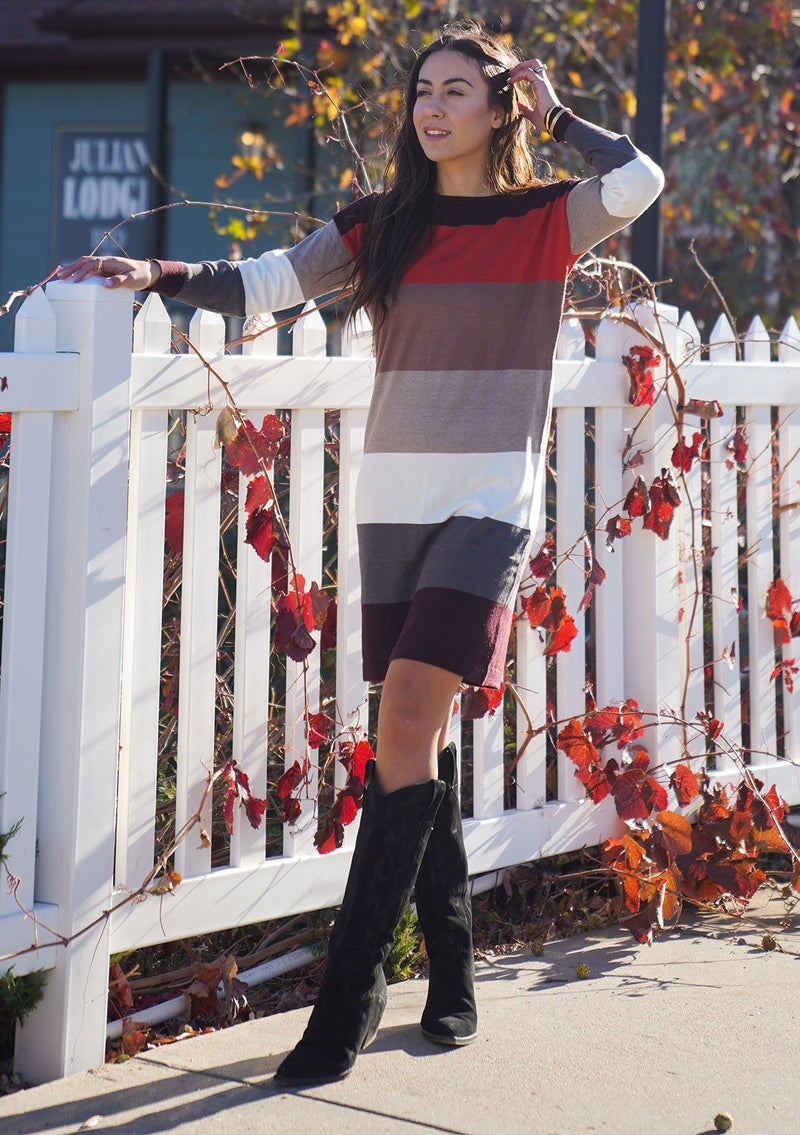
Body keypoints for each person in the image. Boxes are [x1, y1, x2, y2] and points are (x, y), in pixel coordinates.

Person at [56, 18, 664, 1088]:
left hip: (487, 502)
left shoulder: (541, 220)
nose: (432, 107)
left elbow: (640, 180)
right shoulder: (380, 225)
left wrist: (561, 115)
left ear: (498, 108)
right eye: (420, 90)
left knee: (403, 719)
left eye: (457, 91)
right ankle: (456, 977)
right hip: (392, 507)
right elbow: (260, 287)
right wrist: (150, 268)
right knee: (406, 748)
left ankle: (342, 1009)